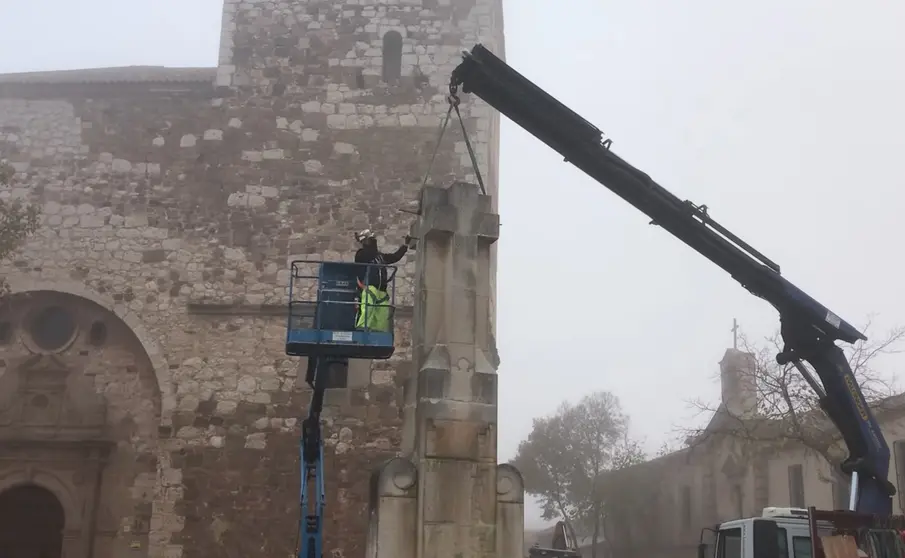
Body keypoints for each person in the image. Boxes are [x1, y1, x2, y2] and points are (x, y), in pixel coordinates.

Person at [353, 229, 411, 331]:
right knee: (368, 309)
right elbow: (369, 253)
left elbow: (395, 257)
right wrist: (365, 239)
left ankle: (378, 333)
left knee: (382, 314)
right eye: (371, 240)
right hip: (369, 287)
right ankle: (362, 329)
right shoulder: (361, 254)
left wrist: (405, 246)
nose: (373, 242)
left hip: (382, 291)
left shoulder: (380, 256)